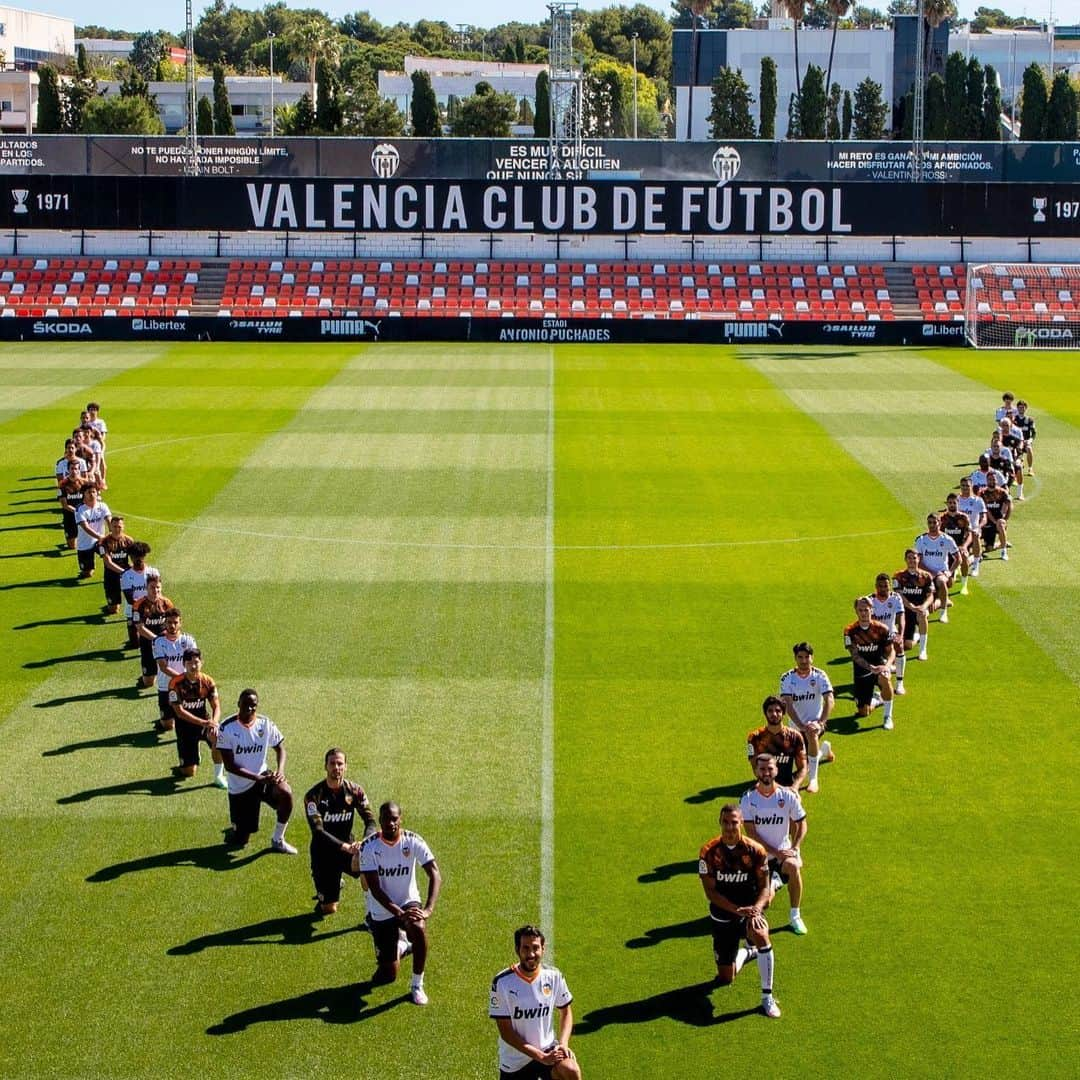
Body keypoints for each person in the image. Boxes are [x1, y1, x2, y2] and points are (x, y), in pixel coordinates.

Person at [698, 805, 780, 1019]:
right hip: (723, 914)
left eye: (734, 822)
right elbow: (711, 893)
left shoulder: (755, 851)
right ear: (720, 823)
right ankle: (748, 951)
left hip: (750, 910)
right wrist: (737, 910)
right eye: (725, 822)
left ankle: (767, 997)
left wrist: (755, 909)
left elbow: (763, 885)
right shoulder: (708, 852)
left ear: (741, 823)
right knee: (726, 978)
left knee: (762, 934)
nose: (729, 827)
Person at [356, 801, 441, 1006]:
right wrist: (398, 914)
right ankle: (402, 945)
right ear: (380, 820)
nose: (390, 823)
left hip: (407, 901)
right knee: (387, 975)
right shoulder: (369, 846)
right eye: (386, 819)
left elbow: (435, 874)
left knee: (418, 927)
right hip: (382, 909)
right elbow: (375, 889)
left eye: (394, 819)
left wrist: (427, 909)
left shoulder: (412, 840)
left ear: (400, 819)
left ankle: (417, 985)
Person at [490, 925, 582, 1077]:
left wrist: (563, 1044)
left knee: (571, 1070)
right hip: (516, 1060)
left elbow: (566, 1012)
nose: (531, 954)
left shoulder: (554, 976)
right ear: (517, 950)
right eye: (525, 948)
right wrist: (540, 1057)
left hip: (549, 1051)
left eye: (535, 948)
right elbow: (506, 1032)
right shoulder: (502, 982)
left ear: (543, 949)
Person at [216, 688, 297, 854]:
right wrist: (258, 778)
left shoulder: (265, 724)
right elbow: (230, 766)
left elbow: (280, 748)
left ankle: (278, 839)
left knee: (286, 793)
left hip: (263, 778)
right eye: (245, 704)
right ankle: (237, 828)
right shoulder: (227, 728)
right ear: (238, 704)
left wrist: (280, 771)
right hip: (240, 786)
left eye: (253, 705)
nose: (249, 708)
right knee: (240, 841)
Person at [303, 748, 376, 916]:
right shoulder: (313, 796)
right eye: (332, 764)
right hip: (324, 853)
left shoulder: (355, 791)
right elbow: (318, 831)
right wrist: (344, 846)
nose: (336, 767)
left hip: (348, 848)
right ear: (325, 766)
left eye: (340, 763)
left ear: (346, 766)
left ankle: (371, 914)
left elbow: (370, 821)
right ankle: (330, 887)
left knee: (367, 863)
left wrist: (364, 843)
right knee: (329, 910)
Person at [740, 754, 808, 935]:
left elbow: (802, 823)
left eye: (770, 768)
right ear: (756, 771)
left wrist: (795, 848)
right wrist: (777, 852)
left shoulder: (787, 796)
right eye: (762, 769)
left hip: (782, 856)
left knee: (793, 865)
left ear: (776, 770)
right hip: (760, 858)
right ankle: (775, 882)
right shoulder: (747, 799)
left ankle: (795, 916)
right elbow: (752, 834)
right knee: (766, 901)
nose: (766, 773)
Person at [779, 642, 834, 794]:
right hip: (795, 727)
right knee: (800, 766)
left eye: (807, 657)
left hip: (815, 724)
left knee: (812, 735)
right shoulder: (787, 678)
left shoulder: (820, 675)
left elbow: (830, 699)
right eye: (800, 657)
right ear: (795, 658)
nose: (804, 661)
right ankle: (824, 749)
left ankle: (813, 780)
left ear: (812, 657)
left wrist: (821, 723)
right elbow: (788, 705)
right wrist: (801, 725)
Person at [168, 648, 226, 787]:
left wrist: (214, 723)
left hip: (204, 723)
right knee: (188, 773)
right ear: (184, 664)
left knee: (218, 739)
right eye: (189, 663)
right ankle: (189, 759)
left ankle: (218, 777)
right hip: (184, 726)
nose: (193, 666)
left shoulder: (208, 681)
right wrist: (204, 722)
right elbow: (179, 711)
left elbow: (216, 706)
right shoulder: (175, 684)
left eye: (196, 662)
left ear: (202, 663)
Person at [844, 596, 896, 729]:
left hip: (879, 666)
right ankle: (878, 699)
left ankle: (887, 716)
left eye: (866, 610)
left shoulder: (882, 629)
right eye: (860, 610)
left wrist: (886, 666)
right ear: (856, 611)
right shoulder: (849, 631)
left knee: (885, 678)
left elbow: (891, 651)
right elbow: (854, 656)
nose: (863, 613)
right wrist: (870, 667)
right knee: (863, 712)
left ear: (872, 610)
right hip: (862, 671)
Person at [746, 695, 809, 792]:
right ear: (765, 713)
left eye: (778, 711)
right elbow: (755, 768)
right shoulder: (754, 737)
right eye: (770, 711)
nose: (774, 714)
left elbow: (803, 767)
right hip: (764, 788)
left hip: (788, 788)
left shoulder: (795, 737)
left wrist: (795, 786)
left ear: (783, 713)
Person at [151, 608, 196, 733]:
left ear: (180, 622)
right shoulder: (158, 642)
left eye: (175, 622)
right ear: (164, 623)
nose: (172, 625)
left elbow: (194, 663)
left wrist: (191, 679)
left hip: (185, 686)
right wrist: (183, 678)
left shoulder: (188, 640)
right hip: (166, 686)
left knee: (187, 721)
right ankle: (163, 720)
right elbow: (163, 667)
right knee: (168, 726)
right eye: (169, 622)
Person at [915, 512, 960, 622]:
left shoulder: (946, 539)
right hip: (925, 574)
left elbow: (958, 559)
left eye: (934, 522)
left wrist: (949, 572)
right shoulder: (921, 540)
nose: (932, 525)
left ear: (939, 523)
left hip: (942, 573)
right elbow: (919, 562)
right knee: (924, 603)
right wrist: (931, 573)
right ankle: (942, 601)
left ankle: (943, 613)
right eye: (929, 523)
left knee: (941, 581)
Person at [893, 549, 934, 662]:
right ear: (905, 560)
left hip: (919, 610)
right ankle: (916, 636)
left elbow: (930, 596)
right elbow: (899, 595)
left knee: (922, 615)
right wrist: (911, 606)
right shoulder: (898, 576)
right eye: (909, 558)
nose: (912, 560)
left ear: (918, 559)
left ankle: (922, 650)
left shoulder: (926, 576)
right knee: (907, 646)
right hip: (905, 611)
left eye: (914, 558)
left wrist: (924, 606)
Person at [870, 573, 907, 694]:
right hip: (874, 635)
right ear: (876, 586)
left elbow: (901, 617)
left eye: (886, 586)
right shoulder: (870, 601)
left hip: (890, 632)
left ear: (889, 586)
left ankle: (900, 683)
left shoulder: (895, 598)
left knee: (899, 646)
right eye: (880, 586)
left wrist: (900, 636)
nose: (883, 589)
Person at [121, 542, 158, 650]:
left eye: (141, 556)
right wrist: (142, 608)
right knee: (135, 645)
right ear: (131, 557)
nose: (138, 559)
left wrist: (151, 606)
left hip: (151, 608)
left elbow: (157, 593)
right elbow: (129, 598)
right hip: (134, 609)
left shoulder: (153, 572)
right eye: (135, 556)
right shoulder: (126, 575)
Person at [97, 514, 134, 616]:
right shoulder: (103, 542)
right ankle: (111, 605)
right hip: (111, 575)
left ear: (123, 527)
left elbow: (134, 558)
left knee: (134, 603)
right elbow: (108, 563)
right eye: (114, 526)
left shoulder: (129, 541)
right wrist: (124, 572)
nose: (117, 529)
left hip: (127, 576)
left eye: (119, 527)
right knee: (113, 610)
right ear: (110, 527)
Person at [73, 483, 110, 580]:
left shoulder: (102, 506)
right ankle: (86, 570)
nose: (92, 494)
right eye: (89, 492)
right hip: (85, 544)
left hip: (100, 542)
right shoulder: (79, 510)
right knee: (87, 574)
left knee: (110, 555)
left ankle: (112, 574)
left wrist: (111, 534)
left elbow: (109, 520)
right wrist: (100, 536)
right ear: (83, 494)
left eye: (94, 492)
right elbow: (86, 528)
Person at [940, 492, 974, 594]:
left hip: (959, 548)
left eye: (954, 503)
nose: (952, 505)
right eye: (950, 503)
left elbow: (969, 534)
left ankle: (964, 585)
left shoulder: (964, 518)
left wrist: (964, 546)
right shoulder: (942, 519)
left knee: (963, 556)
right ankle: (967, 562)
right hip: (947, 551)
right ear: (947, 504)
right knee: (949, 584)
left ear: (958, 503)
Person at [957, 476, 987, 578]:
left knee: (975, 534)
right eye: (963, 486)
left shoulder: (978, 500)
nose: (965, 488)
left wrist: (979, 527)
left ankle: (976, 566)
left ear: (971, 486)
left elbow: (984, 518)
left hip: (973, 529)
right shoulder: (957, 500)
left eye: (967, 486)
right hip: (959, 531)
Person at [981, 471, 1012, 561]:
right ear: (987, 481)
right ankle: (1001, 543)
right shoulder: (982, 493)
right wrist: (994, 521)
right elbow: (986, 510)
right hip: (988, 521)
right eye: (989, 479)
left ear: (997, 480)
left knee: (1001, 524)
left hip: (999, 520)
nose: (992, 481)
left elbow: (1009, 505)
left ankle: (1004, 551)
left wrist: (1005, 519)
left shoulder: (1003, 493)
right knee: (989, 549)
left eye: (993, 479)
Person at [56, 468, 86, 551]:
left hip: (83, 516)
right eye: (72, 469)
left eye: (76, 469)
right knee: (72, 547)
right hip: (69, 516)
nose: (74, 471)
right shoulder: (62, 485)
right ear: (68, 470)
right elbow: (64, 505)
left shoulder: (84, 483)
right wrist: (78, 512)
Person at [998, 417, 1026, 500]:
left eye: (1007, 425)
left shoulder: (1014, 439)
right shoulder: (997, 439)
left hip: (1011, 461)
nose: (1005, 427)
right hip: (998, 461)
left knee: (1019, 467)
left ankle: (1019, 493)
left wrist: (1018, 460)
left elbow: (1020, 452)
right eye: (1003, 425)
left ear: (1010, 427)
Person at [85, 401, 108, 489]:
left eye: (94, 409)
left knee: (101, 460)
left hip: (98, 444)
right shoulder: (86, 421)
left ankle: (103, 479)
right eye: (90, 409)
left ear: (97, 411)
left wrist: (101, 441)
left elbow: (103, 434)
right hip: (88, 444)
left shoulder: (100, 422)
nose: (92, 411)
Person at [1013, 399, 1036, 471]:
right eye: (1020, 407)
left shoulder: (1030, 420)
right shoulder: (1013, 419)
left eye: (1023, 408)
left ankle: (1030, 468)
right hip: (1016, 442)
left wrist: (1030, 440)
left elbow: (1034, 433)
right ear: (1017, 408)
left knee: (1029, 448)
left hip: (1026, 442)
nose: (1021, 409)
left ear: (1026, 408)